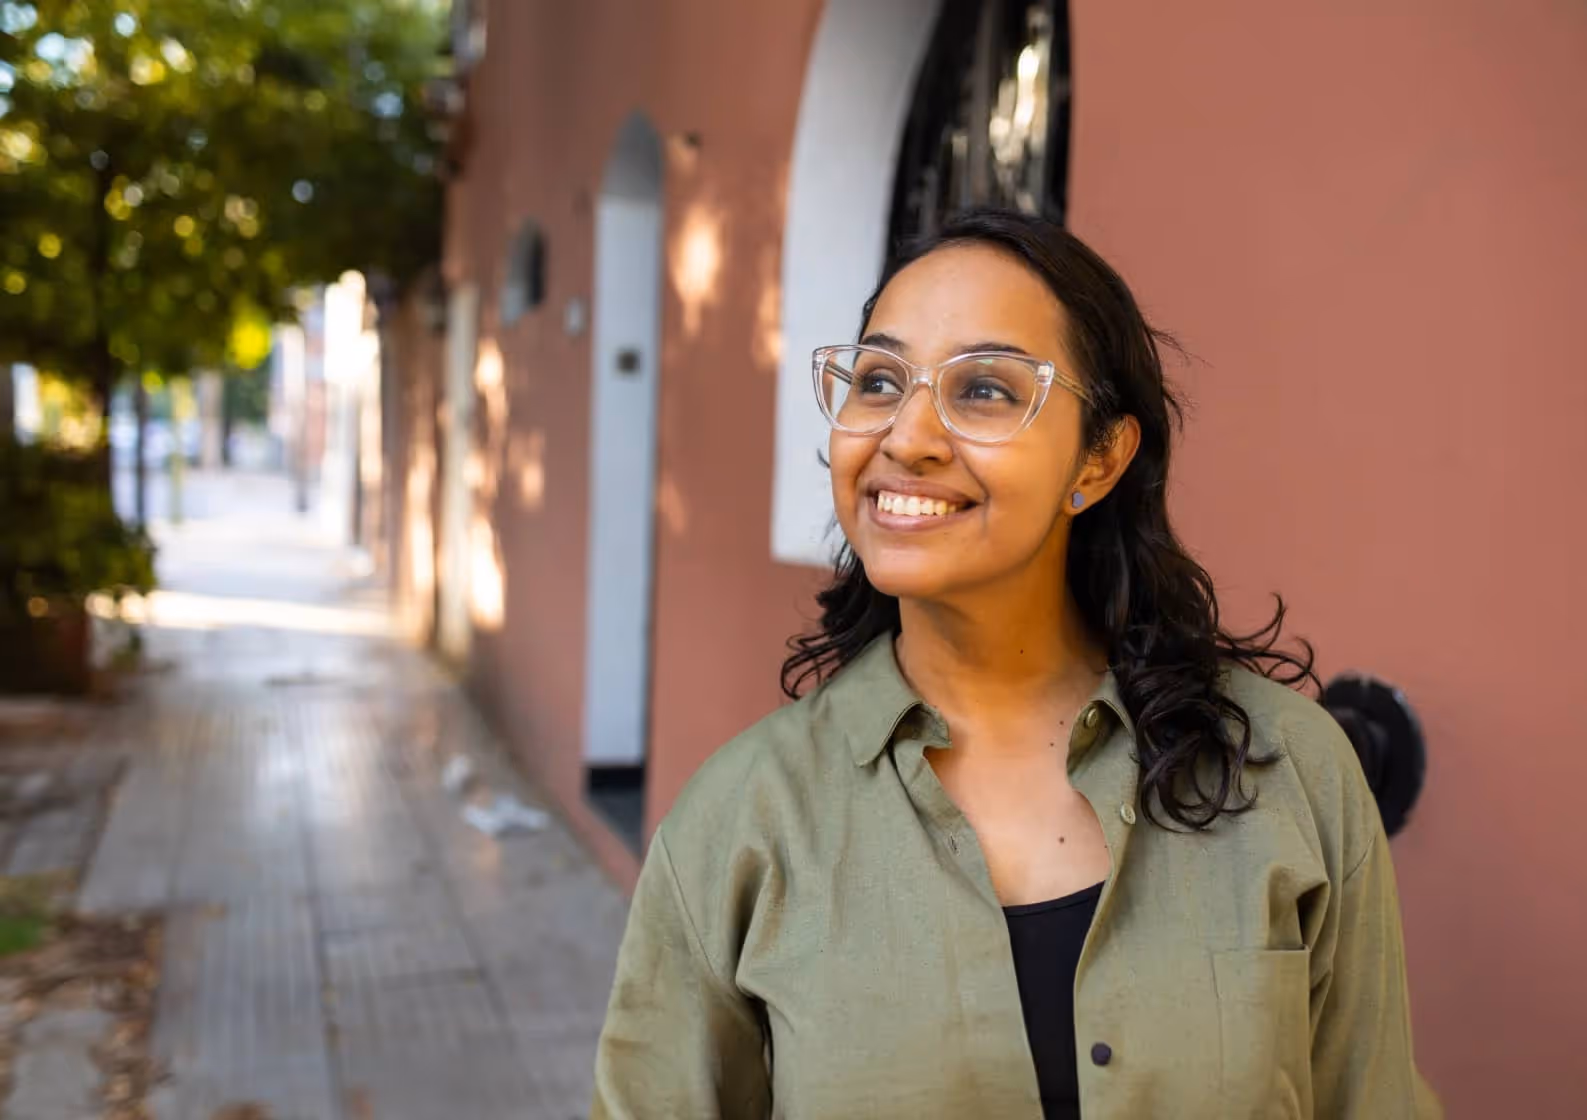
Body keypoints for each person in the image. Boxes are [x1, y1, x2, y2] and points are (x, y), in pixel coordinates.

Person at [591, 208, 1440, 1119]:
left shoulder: (1292, 774)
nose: (905, 437)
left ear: (1100, 458)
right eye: (878, 380)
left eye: (985, 390)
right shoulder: (738, 826)